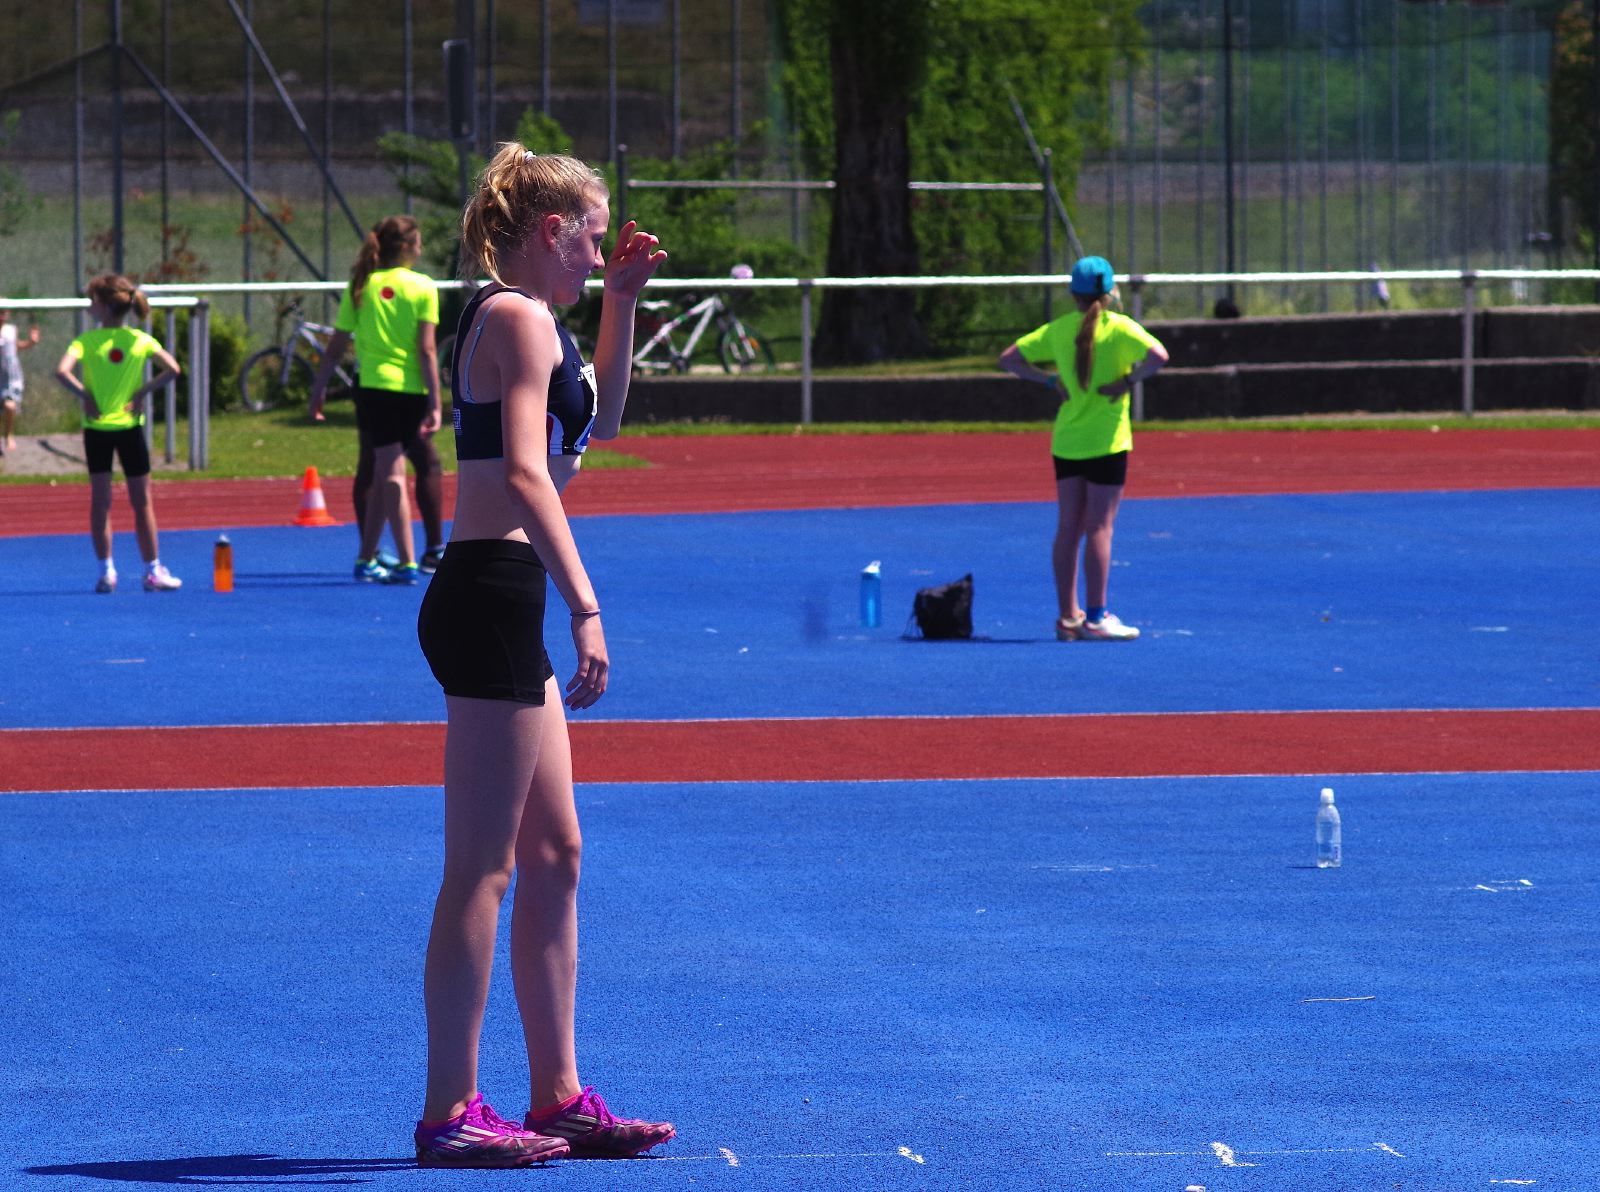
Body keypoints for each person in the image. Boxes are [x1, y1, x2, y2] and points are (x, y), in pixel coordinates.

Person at [412, 144, 672, 1168]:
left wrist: (621, 305)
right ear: (550, 231)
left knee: (556, 856)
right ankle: (449, 1109)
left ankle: (558, 1095)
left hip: (505, 598)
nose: (601, 254)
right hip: (491, 594)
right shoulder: (514, 316)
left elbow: (596, 422)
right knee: (483, 868)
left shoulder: (541, 320)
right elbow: (528, 472)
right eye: (593, 240)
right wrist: (587, 606)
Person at [999, 255, 1168, 641]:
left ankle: (1067, 617)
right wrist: (1128, 382)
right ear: (1110, 292)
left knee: (1068, 527)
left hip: (1068, 441)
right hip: (1106, 441)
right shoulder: (1120, 329)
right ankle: (1095, 617)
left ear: (1073, 293)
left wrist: (1048, 381)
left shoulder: (1059, 330)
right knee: (1099, 527)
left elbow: (1009, 359)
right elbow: (1159, 356)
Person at [309, 214, 442, 585]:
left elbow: (336, 347)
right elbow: (427, 350)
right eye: (419, 242)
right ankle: (407, 560)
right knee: (393, 474)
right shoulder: (422, 286)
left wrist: (319, 389)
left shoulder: (362, 285)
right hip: (410, 391)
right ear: (408, 246)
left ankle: (366, 557)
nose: (421, 248)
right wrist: (436, 400)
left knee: (387, 471)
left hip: (374, 389)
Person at [53, 274, 183, 594]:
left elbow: (61, 371)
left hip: (97, 431)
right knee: (142, 502)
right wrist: (142, 393)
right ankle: (152, 570)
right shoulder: (139, 340)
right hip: (129, 429)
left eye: (91, 301)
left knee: (101, 502)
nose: (88, 306)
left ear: (103, 305)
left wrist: (86, 396)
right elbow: (173, 369)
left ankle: (107, 571)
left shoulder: (86, 342)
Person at [1, 306, 41, 456]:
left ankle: (9, 435)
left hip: (10, 376)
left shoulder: (11, 330)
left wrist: (31, 342)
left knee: (10, 406)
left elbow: (15, 347)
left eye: (4, 311)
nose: (2, 315)